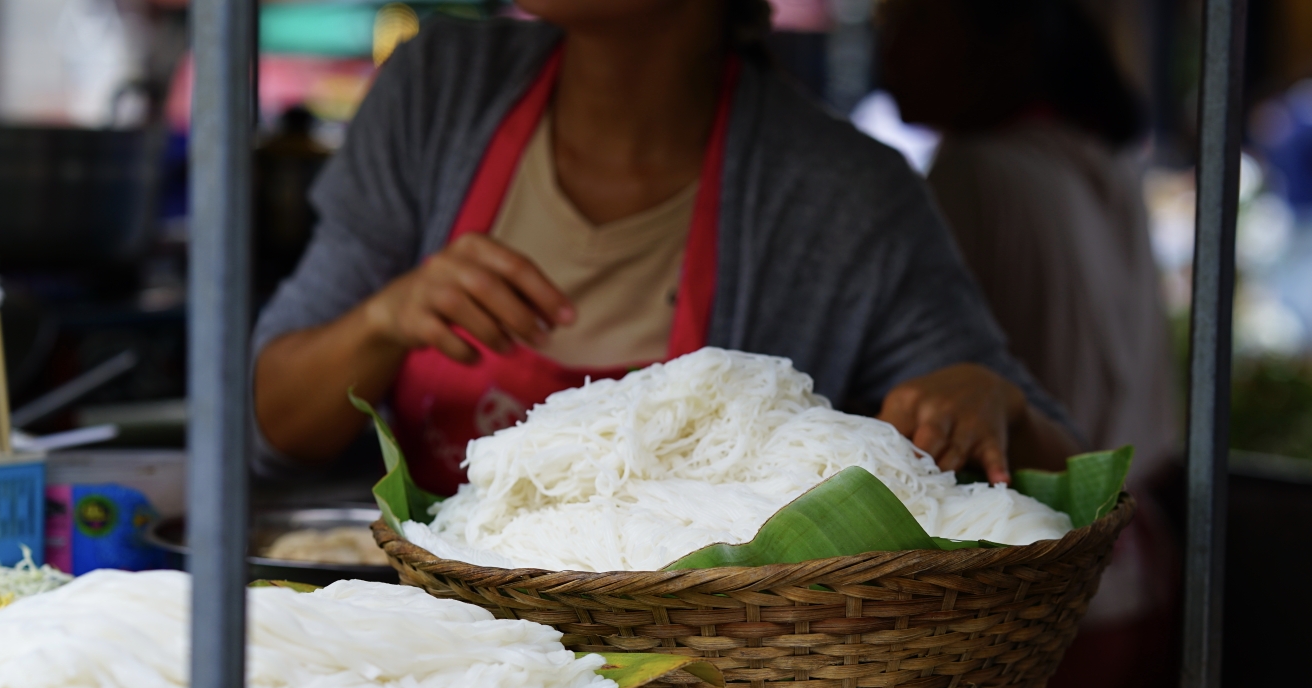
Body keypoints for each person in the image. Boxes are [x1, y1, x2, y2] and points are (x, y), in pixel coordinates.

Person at [252, 0, 1078, 500]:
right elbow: (264, 425)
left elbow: (1058, 473)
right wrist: (384, 321)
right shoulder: (437, 94)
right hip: (445, 672)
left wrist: (987, 397)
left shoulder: (844, 196)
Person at [878, 0, 1180, 688]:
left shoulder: (973, 172)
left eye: (918, 22)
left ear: (1005, 45)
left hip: (1033, 593)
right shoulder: (1098, 161)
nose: (889, 49)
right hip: (1141, 576)